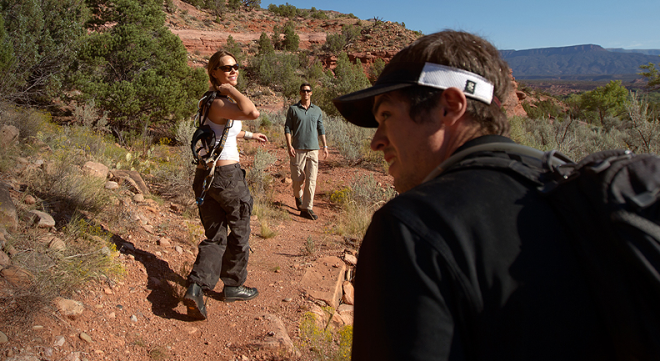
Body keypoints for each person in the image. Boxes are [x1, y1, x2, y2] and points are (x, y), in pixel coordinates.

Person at [332, 30, 613, 360]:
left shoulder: (413, 227)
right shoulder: (571, 189)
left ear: (450, 107)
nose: (376, 141)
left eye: (387, 116)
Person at [183, 50, 268, 321]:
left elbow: (225, 129)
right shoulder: (221, 100)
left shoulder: (208, 103)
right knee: (241, 231)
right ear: (214, 73)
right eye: (226, 68)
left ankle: (196, 288)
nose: (233, 70)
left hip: (205, 179)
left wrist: (250, 135)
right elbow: (251, 111)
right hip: (227, 177)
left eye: (236, 67)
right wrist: (231, 90)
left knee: (216, 237)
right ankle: (233, 285)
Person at [284, 82, 328, 220]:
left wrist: (325, 146)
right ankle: (298, 197)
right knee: (297, 179)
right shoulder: (293, 109)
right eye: (303, 91)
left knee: (312, 180)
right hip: (297, 149)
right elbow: (287, 128)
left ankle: (307, 208)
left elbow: (321, 129)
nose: (306, 93)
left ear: (311, 92)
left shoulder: (317, 110)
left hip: (313, 149)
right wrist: (289, 145)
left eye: (308, 91)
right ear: (300, 93)